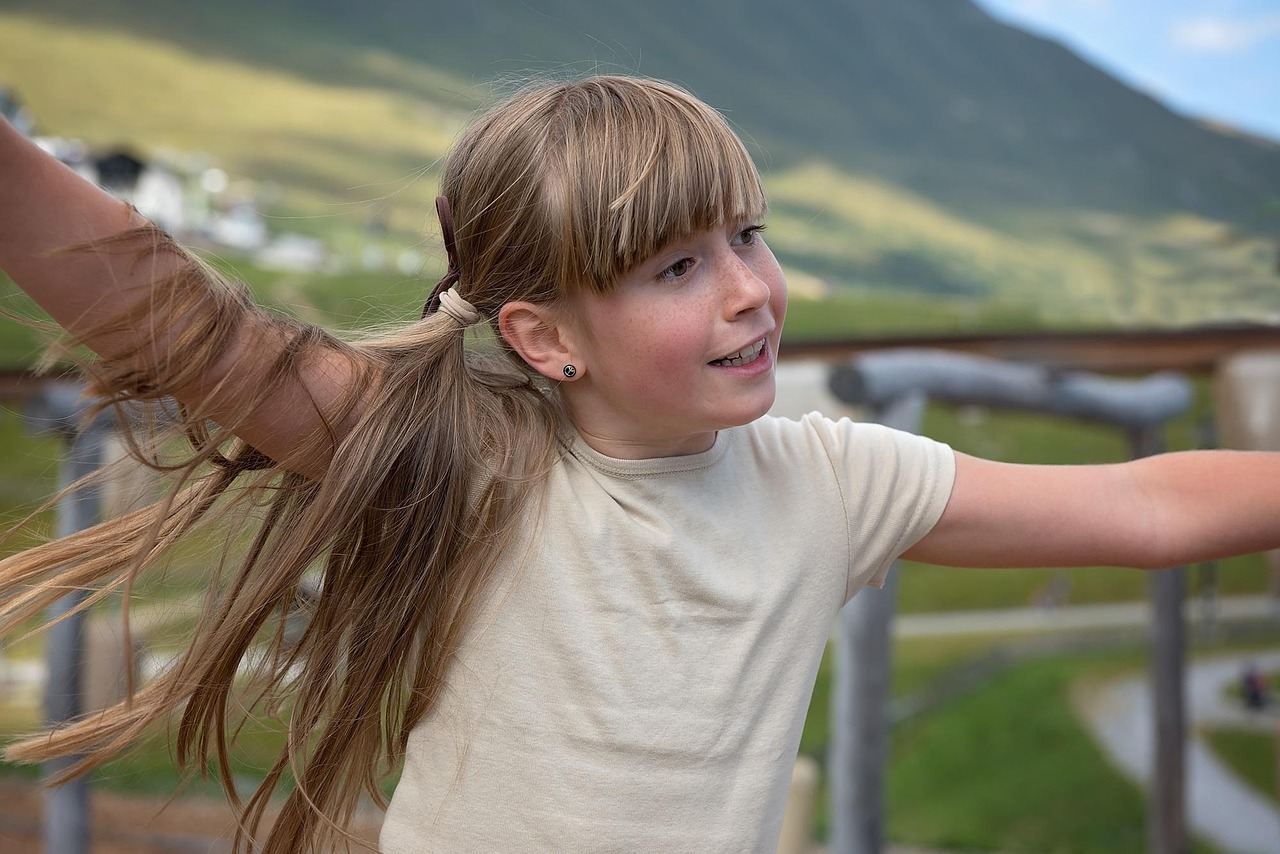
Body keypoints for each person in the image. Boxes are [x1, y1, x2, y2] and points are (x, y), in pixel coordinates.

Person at [1, 75, 1278, 854]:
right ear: (545, 336)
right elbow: (168, 314)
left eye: (746, 236)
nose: (747, 292)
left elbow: (1139, 499)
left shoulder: (831, 482)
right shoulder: (448, 459)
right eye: (675, 267)